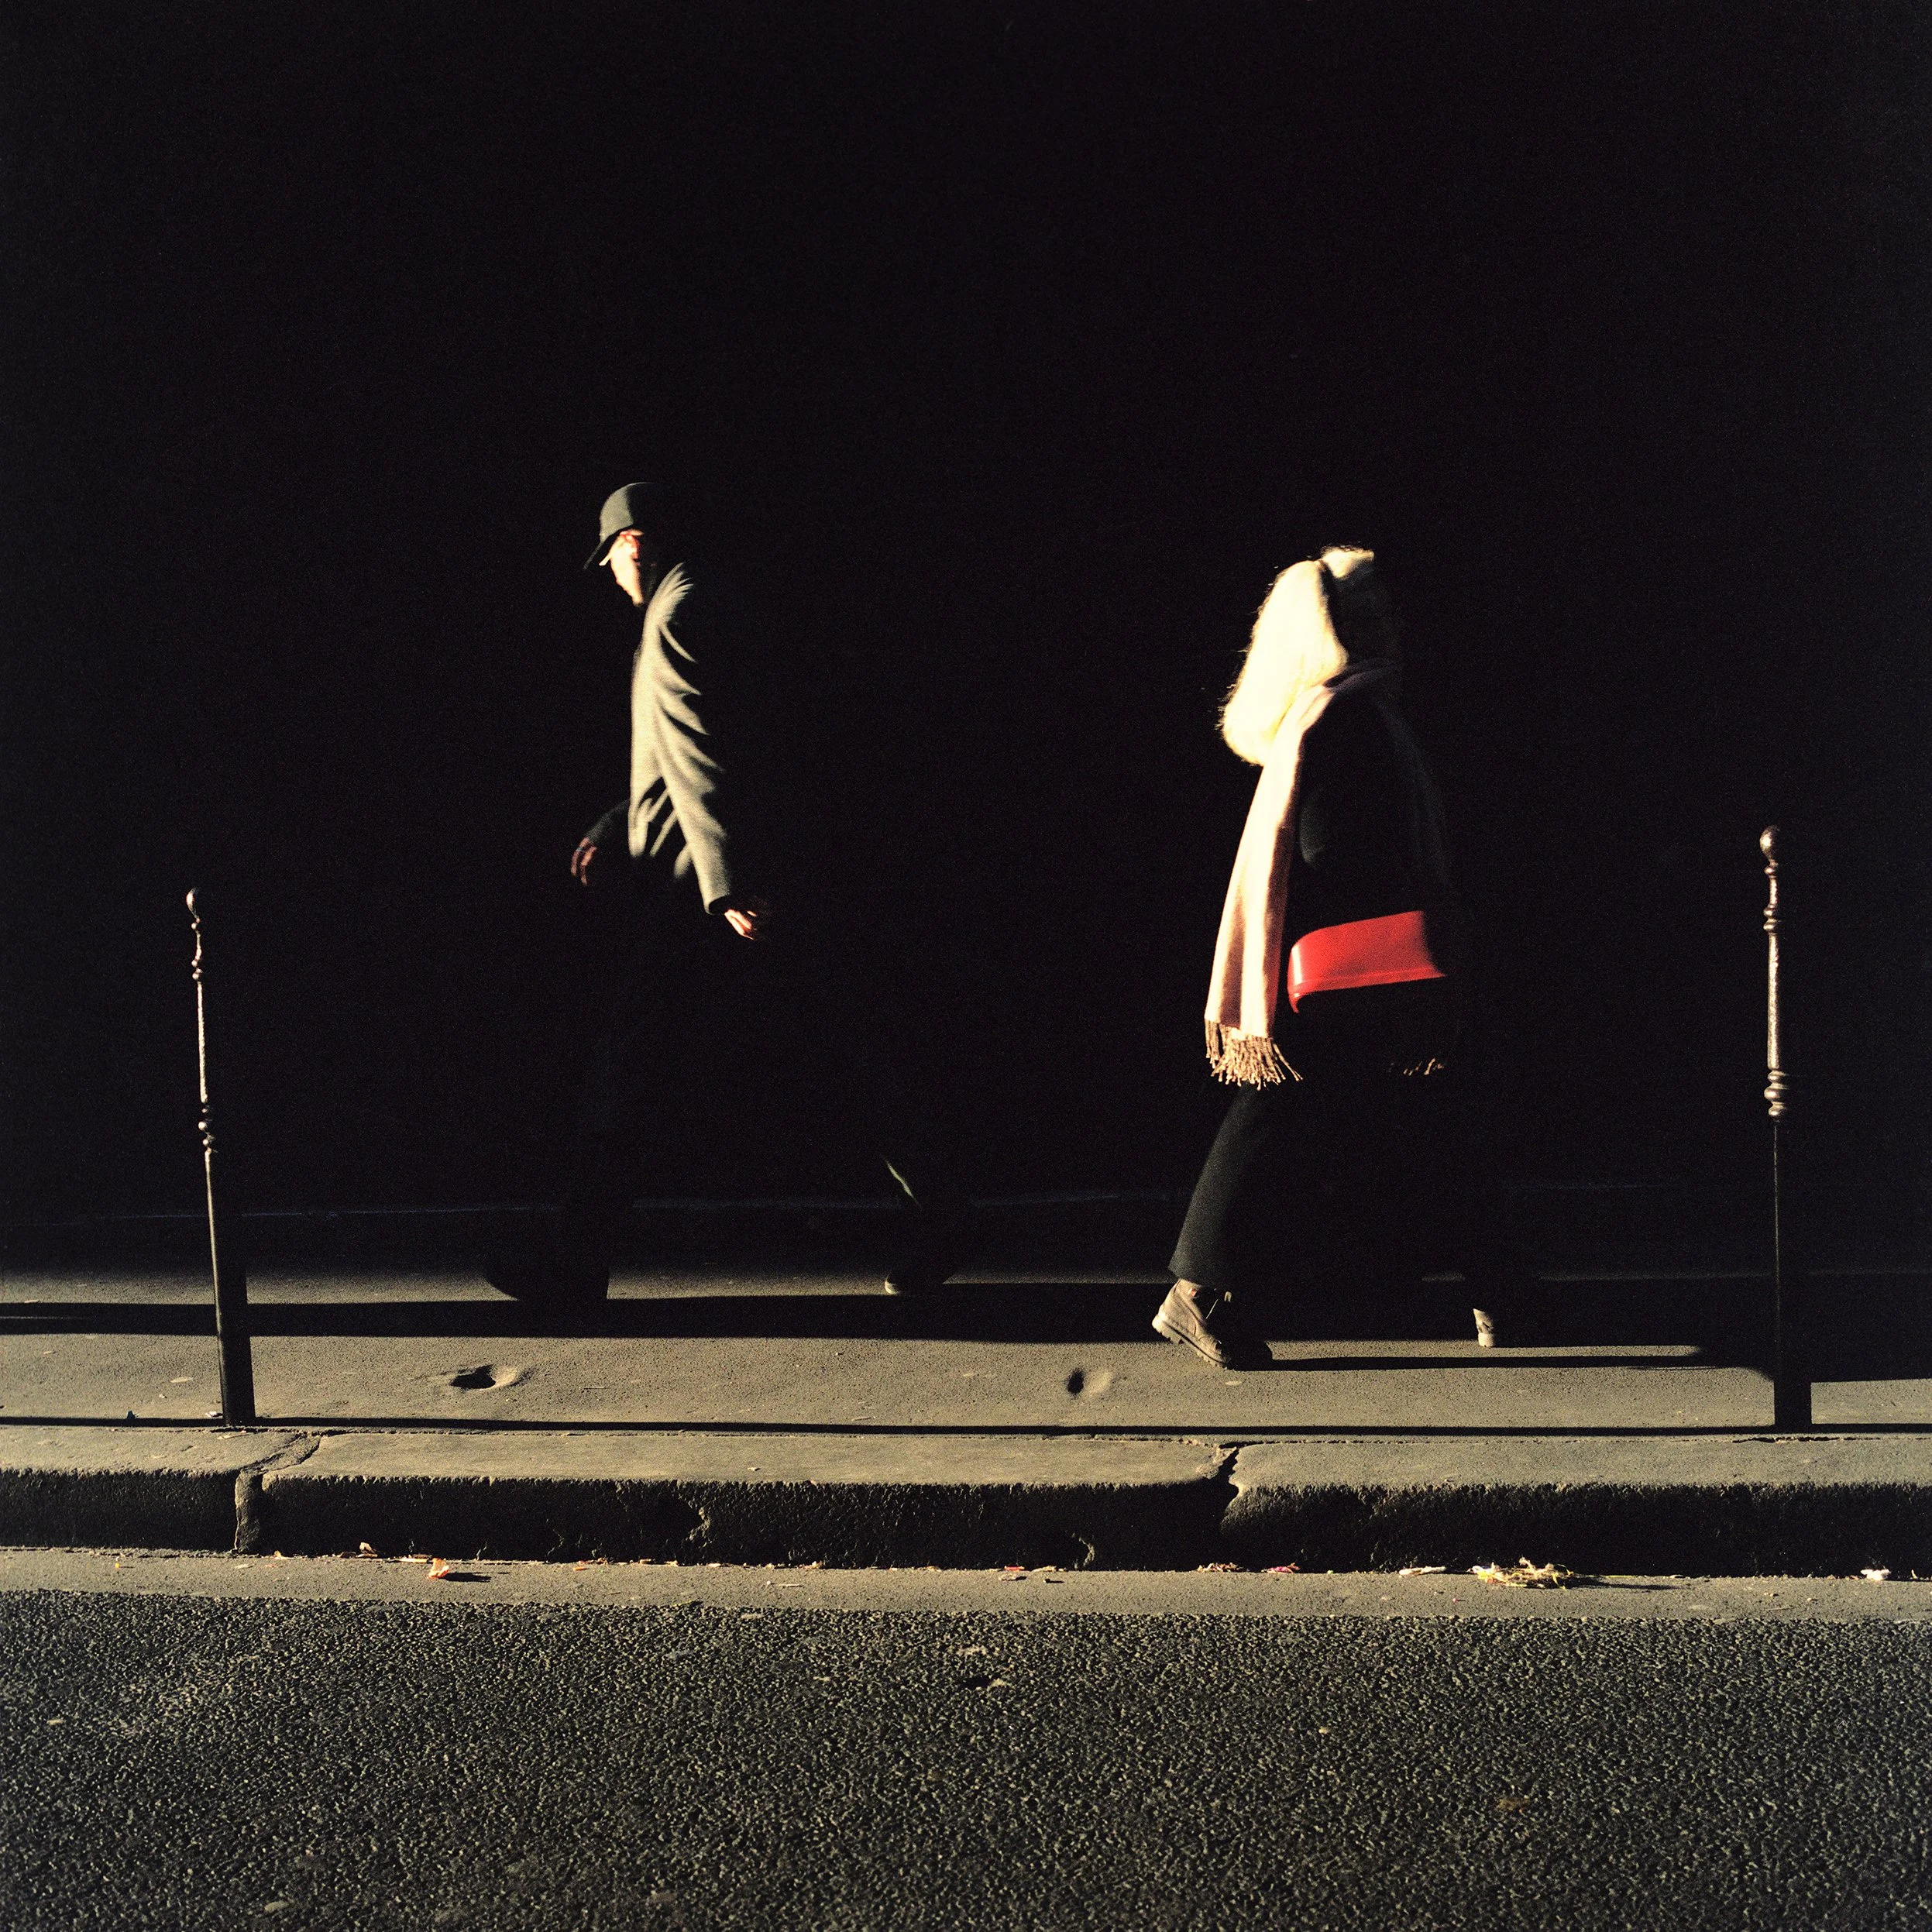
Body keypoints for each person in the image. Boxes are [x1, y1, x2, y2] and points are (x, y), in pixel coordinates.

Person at [488, 480, 967, 1306]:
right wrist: (618, 819)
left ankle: (577, 1260)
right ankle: (944, 1218)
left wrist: (728, 887)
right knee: (840, 1046)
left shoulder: (676, 614)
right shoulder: (709, 599)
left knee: (635, 1070)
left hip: (698, 888)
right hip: (723, 874)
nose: (610, 575)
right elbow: (698, 745)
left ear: (631, 543)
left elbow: (708, 756)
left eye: (609, 558)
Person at [1153, 546, 1517, 1369]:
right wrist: (1410, 908)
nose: (1394, 623)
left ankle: (1501, 1284)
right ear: (1338, 632)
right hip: (1357, 964)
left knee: (1405, 1115)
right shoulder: (1349, 714)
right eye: (1373, 613)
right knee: (1305, 1111)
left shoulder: (1334, 710)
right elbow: (1327, 846)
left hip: (1335, 961)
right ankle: (1195, 1291)